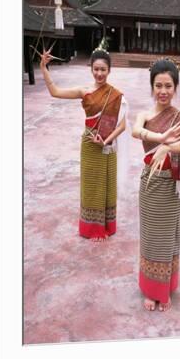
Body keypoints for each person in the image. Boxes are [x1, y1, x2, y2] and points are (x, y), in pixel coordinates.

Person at [41, 47, 127, 241]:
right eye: (96, 69)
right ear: (91, 69)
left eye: (103, 69)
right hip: (89, 144)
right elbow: (55, 92)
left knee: (107, 183)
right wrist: (44, 68)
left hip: (107, 143)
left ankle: (106, 226)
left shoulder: (116, 95)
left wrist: (106, 139)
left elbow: (123, 124)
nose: (99, 73)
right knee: (91, 185)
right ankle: (93, 229)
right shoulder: (84, 91)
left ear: (109, 70)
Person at [132, 59, 180, 312]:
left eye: (168, 85)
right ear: (152, 87)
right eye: (158, 85)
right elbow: (136, 131)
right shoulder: (144, 115)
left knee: (168, 239)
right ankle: (150, 290)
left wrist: (168, 146)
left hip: (171, 186)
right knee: (150, 238)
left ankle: (164, 288)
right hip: (150, 184)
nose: (163, 91)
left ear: (176, 87)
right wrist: (159, 137)